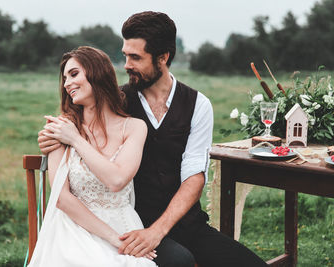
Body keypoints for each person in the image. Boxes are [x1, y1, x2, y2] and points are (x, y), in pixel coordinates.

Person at [39, 11, 268, 267]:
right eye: (125, 55)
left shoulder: (198, 105)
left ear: (163, 57)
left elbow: (194, 176)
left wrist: (158, 231)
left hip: (185, 223)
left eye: (135, 57)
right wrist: (52, 139)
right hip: (134, 221)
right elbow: (82, 123)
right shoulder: (116, 101)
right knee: (178, 262)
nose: (126, 65)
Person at [29, 46, 157, 266]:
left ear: (97, 72)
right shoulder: (60, 128)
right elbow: (61, 198)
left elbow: (117, 180)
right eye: (65, 78)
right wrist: (113, 239)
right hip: (74, 229)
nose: (67, 83)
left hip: (124, 225)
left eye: (74, 74)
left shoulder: (134, 128)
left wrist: (75, 140)